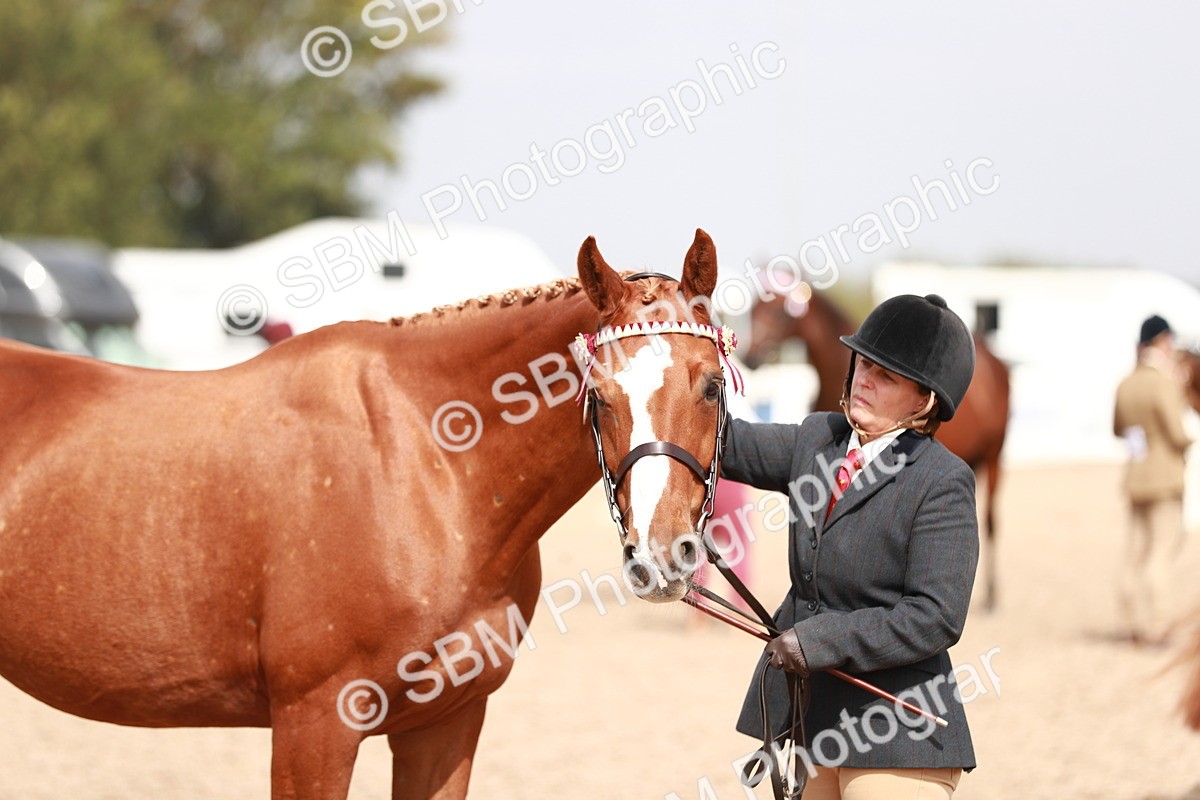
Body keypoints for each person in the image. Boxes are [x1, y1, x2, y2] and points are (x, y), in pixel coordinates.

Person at [721, 293, 979, 799]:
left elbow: (935, 616)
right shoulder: (819, 437)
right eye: (863, 363)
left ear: (923, 400)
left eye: (886, 376)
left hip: (898, 730)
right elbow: (723, 444)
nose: (864, 378)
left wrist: (818, 642)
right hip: (815, 723)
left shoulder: (943, 480)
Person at [1112, 314, 1192, 646]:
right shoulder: (1163, 383)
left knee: (1135, 553)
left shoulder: (1126, 382)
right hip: (1164, 478)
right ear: (1160, 342)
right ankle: (1157, 624)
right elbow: (1176, 432)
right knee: (1161, 552)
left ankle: (1131, 622)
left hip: (1136, 476)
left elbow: (1117, 429)